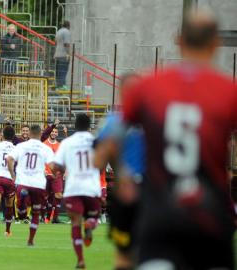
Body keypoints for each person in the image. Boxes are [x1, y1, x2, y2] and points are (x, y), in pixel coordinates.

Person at [122, 10, 236, 270]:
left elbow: (116, 134)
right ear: (216, 43)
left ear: (179, 40)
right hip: (209, 213)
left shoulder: (147, 86)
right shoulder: (229, 90)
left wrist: (124, 174)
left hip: (161, 212)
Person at [93, 73, 145, 270]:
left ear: (121, 92)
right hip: (154, 194)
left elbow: (98, 163)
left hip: (127, 192)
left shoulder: (113, 122)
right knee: (152, 249)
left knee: (123, 255)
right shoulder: (158, 119)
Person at [51, 114, 101, 269]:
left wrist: (60, 171)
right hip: (92, 187)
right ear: (89, 127)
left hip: (73, 188)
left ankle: (80, 260)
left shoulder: (67, 143)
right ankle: (90, 223)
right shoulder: (96, 142)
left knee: (75, 223)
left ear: (75, 126)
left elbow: (55, 166)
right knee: (94, 218)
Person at [7, 125, 54, 246]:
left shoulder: (21, 146)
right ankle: (31, 239)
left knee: (21, 213)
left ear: (30, 133)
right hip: (38, 183)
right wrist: (57, 174)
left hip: (23, 181)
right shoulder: (45, 148)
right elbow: (53, 166)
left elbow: (9, 159)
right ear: (40, 134)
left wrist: (13, 174)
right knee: (36, 212)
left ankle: (22, 205)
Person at [42, 120, 68, 223]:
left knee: (58, 195)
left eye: (55, 132)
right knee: (44, 197)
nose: (54, 133)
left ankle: (55, 218)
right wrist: (42, 169)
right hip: (45, 173)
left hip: (56, 174)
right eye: (52, 132)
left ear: (57, 134)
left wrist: (65, 171)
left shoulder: (60, 145)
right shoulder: (43, 143)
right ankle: (43, 217)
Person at [54, 21, 71, 89]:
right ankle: (62, 85)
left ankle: (58, 85)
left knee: (58, 71)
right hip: (63, 54)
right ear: (68, 26)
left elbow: (55, 42)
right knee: (63, 70)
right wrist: (68, 53)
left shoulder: (59, 31)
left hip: (57, 54)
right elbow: (66, 44)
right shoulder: (66, 32)